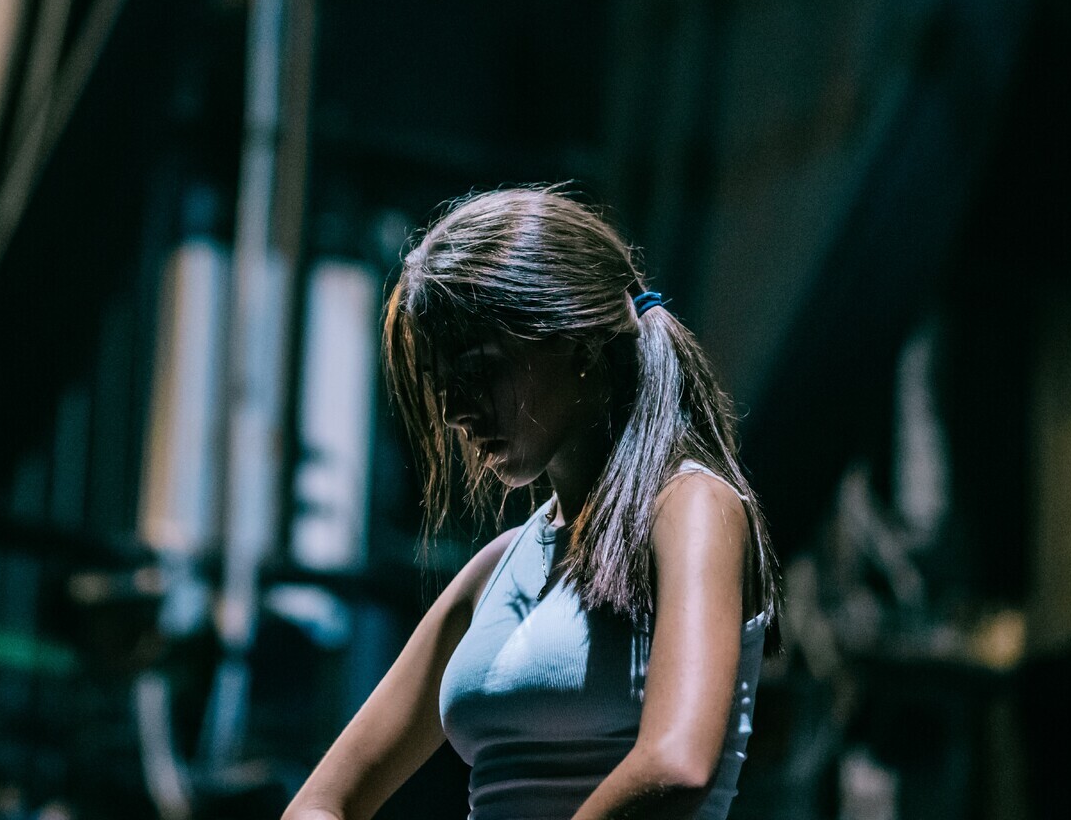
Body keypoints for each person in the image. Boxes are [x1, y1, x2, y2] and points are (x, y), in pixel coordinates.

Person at [286, 189, 778, 820]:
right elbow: (321, 805)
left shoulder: (691, 509)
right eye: (444, 386)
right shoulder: (496, 570)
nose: (458, 412)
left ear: (574, 338)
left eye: (479, 370)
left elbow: (676, 764)